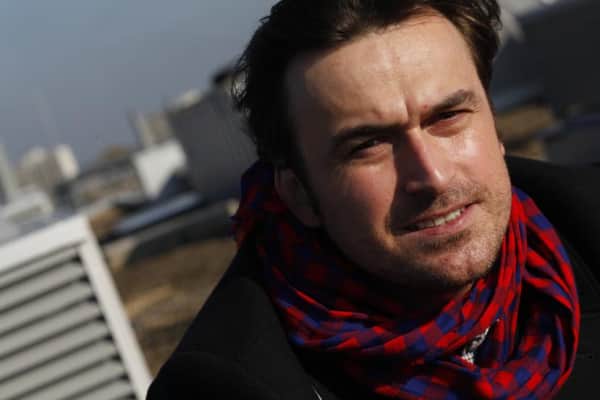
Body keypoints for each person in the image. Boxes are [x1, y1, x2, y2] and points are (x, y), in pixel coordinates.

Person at [148, 1, 600, 398]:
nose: (432, 176)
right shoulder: (227, 384)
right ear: (300, 194)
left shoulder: (585, 225)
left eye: (447, 117)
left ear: (495, 126)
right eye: (368, 146)